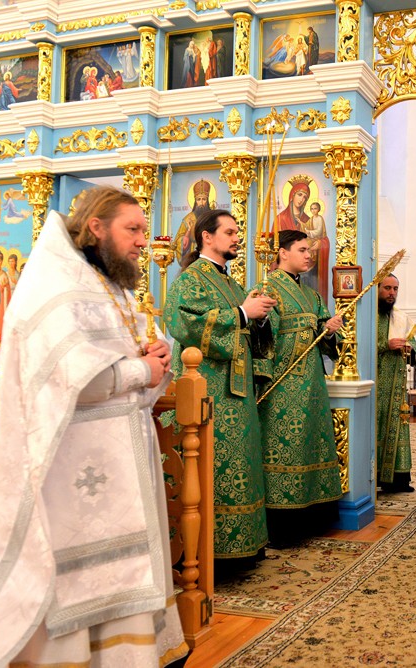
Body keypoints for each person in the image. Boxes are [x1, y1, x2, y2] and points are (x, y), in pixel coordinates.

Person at [0, 186, 188, 667]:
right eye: (133, 229)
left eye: (144, 230)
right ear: (96, 227)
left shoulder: (108, 283)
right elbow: (69, 376)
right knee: (79, 574)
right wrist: (141, 370)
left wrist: (157, 357)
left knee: (129, 565)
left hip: (121, 455)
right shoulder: (57, 286)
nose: (143, 241)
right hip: (74, 464)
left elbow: (127, 355)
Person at [164, 208, 274, 567]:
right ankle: (212, 553)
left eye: (237, 232)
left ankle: (244, 546)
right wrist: (242, 314)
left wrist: (260, 317)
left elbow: (247, 330)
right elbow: (182, 323)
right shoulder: (191, 279)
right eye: (229, 232)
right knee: (213, 466)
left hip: (238, 392)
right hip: (208, 391)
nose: (237, 238)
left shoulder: (231, 283)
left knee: (241, 464)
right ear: (206, 237)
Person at [255, 229, 343, 548]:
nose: (309, 255)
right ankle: (283, 527)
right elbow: (260, 339)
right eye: (302, 250)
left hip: (312, 385)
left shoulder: (312, 295)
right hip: (282, 386)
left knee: (310, 446)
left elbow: (326, 338)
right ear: (283, 253)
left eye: (310, 250)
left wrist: (328, 330)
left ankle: (312, 519)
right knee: (285, 448)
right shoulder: (267, 289)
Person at [377, 275, 416, 493]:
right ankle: (375, 478)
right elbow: (358, 347)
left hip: (396, 384)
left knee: (398, 428)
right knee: (377, 428)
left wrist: (410, 348)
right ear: (377, 289)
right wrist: (386, 344)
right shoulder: (367, 319)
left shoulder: (400, 318)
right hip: (376, 384)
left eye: (395, 289)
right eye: (387, 288)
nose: (391, 293)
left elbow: (414, 345)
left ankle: (398, 480)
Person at [173, 179, 214, 268]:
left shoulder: (212, 217)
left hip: (210, 253)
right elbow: (178, 240)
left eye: (204, 199)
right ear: (195, 201)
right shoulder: (188, 218)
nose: (201, 202)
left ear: (207, 201)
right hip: (193, 255)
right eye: (199, 199)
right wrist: (186, 235)